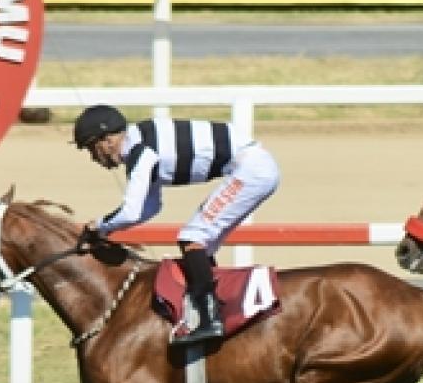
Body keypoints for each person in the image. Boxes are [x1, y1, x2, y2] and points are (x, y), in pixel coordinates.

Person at [71, 104, 281, 343]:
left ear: (107, 140)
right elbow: (149, 207)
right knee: (201, 244)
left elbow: (131, 212)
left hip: (252, 170)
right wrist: (106, 227)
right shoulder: (140, 143)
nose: (93, 157)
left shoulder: (141, 152)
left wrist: (99, 226)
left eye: (92, 148)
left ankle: (209, 319)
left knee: (193, 237)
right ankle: (213, 309)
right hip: (253, 167)